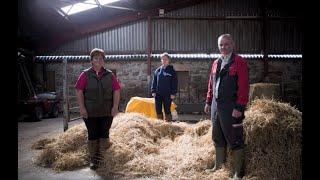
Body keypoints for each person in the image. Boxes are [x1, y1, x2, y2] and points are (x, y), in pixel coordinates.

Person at [204, 34, 249, 180]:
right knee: (217, 135)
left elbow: (243, 86)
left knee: (235, 137)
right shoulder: (216, 63)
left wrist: (239, 107)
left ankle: (238, 172)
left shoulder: (239, 62)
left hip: (231, 105)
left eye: (227, 44)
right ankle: (219, 166)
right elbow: (211, 84)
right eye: (221, 45)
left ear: (232, 44)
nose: (224, 47)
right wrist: (208, 101)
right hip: (216, 105)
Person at [75, 48, 121, 170]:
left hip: (106, 111)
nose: (99, 60)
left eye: (101, 58)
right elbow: (79, 92)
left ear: (103, 61)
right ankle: (93, 160)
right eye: (96, 58)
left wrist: (115, 107)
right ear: (91, 61)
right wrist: (82, 108)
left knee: (104, 134)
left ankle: (102, 157)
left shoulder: (110, 75)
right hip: (90, 112)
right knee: (92, 134)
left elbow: (116, 91)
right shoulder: (85, 75)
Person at [151, 52, 178, 122]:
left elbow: (175, 82)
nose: (164, 61)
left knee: (167, 110)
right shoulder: (158, 70)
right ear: (161, 60)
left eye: (165, 59)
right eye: (163, 59)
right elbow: (154, 81)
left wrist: (173, 93)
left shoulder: (172, 71)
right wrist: (153, 91)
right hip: (158, 94)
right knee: (158, 109)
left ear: (168, 60)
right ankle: (160, 124)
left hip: (168, 94)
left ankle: (168, 124)